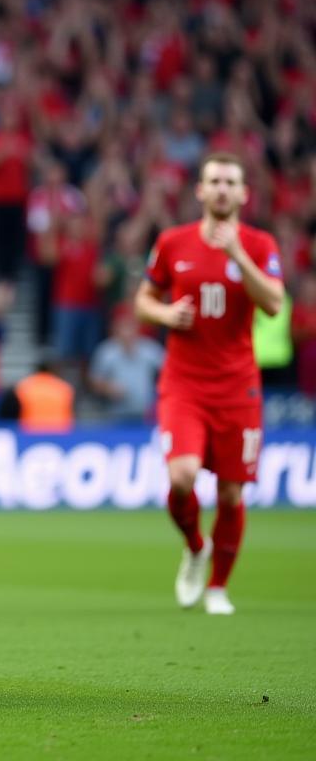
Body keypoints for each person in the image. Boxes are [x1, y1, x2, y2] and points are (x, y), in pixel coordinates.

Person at [135, 152, 284, 615]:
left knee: (232, 492)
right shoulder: (173, 242)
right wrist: (165, 314)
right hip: (184, 382)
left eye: (230, 182)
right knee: (182, 478)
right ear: (200, 190)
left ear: (243, 193)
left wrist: (236, 253)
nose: (222, 189)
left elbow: (275, 304)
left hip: (238, 386)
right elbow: (144, 300)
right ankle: (196, 545)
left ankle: (218, 587)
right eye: (214, 181)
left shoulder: (259, 245)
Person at [87, 307, 165, 421]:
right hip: (116, 415)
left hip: (146, 415)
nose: (127, 332)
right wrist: (108, 388)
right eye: (124, 327)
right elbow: (94, 381)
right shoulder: (106, 352)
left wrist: (159, 393)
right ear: (115, 329)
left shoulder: (150, 349)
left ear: (137, 328)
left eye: (130, 327)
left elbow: (169, 372)